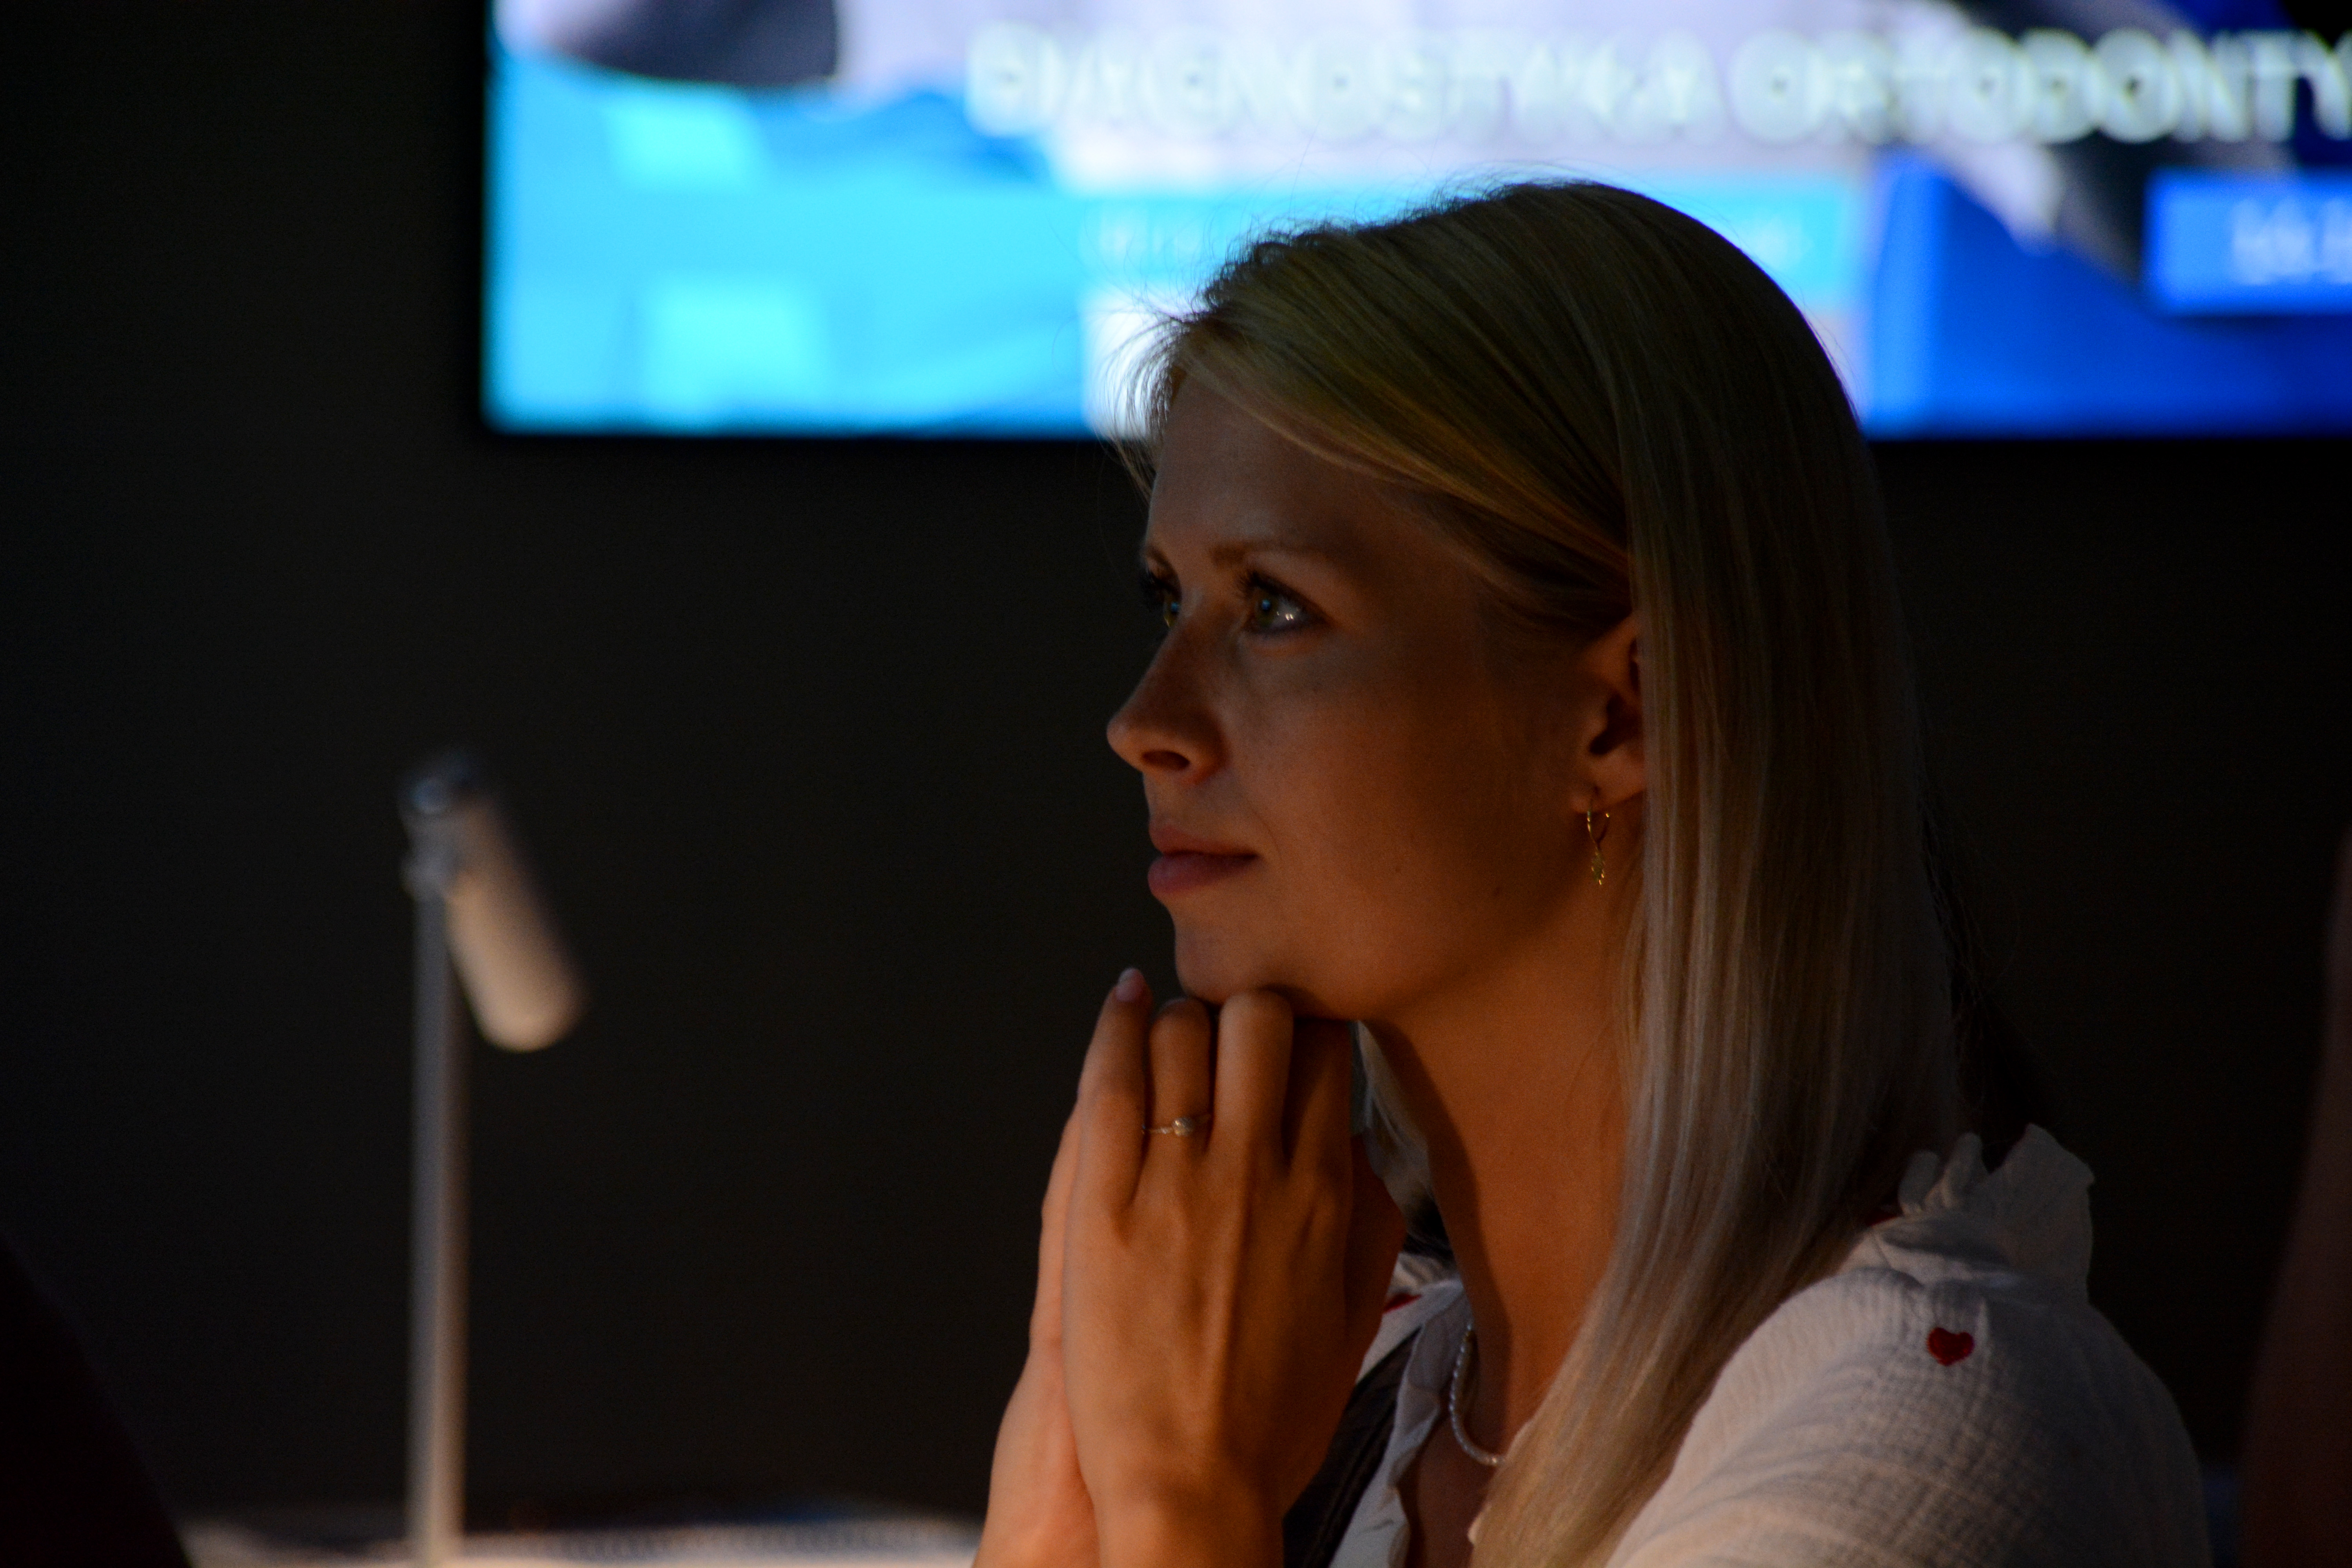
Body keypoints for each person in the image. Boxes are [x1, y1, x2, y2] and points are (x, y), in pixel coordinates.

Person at [970, 181, 2208, 1568]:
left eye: (1273, 606)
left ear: (1625, 712)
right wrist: (1061, 1492)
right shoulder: (1359, 1389)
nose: (1144, 721)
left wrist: (1179, 1499)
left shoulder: (1935, 1432)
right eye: (1169, 600)